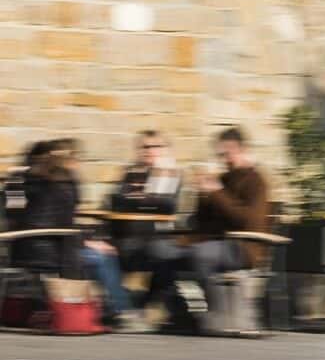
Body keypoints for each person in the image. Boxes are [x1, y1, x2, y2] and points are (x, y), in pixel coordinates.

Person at [148, 126, 272, 328]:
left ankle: (216, 312)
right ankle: (179, 311)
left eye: (228, 153)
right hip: (212, 241)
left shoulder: (256, 181)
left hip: (243, 246)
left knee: (202, 254)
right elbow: (201, 222)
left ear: (243, 150)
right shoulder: (223, 179)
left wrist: (216, 193)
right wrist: (203, 195)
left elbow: (247, 220)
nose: (225, 159)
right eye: (221, 154)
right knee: (159, 250)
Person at [21, 139, 131, 325]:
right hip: (51, 250)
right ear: (71, 160)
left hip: (30, 246)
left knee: (101, 252)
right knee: (102, 257)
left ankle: (108, 307)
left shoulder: (35, 180)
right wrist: (88, 242)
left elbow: (53, 221)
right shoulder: (63, 184)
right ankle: (120, 310)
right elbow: (61, 225)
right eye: (79, 159)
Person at [109, 129, 187, 270]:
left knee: (157, 251)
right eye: (145, 147)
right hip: (130, 235)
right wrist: (145, 200)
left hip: (158, 235)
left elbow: (167, 205)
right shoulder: (130, 172)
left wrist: (141, 199)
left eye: (156, 146)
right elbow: (117, 200)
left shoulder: (170, 172)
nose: (149, 150)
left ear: (165, 149)